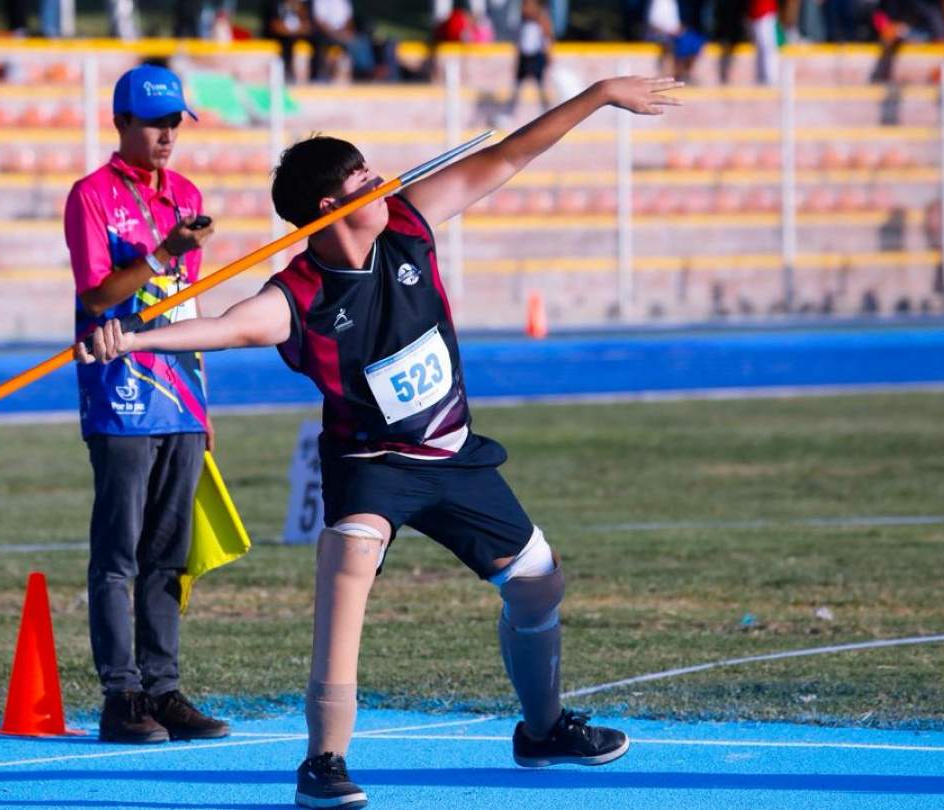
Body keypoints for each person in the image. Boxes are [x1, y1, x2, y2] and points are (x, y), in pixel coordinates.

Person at [77, 73, 683, 809]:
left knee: (539, 584)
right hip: (371, 465)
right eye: (366, 175)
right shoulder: (297, 293)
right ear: (332, 207)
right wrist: (131, 338)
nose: (384, 178)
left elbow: (512, 155)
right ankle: (323, 761)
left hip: (454, 455)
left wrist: (598, 95)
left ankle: (544, 727)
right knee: (347, 564)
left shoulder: (408, 222)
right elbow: (229, 326)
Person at [62, 64, 229, 745]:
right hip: (124, 394)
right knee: (119, 553)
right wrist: (162, 253)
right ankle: (120, 696)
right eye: (154, 123)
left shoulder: (185, 193)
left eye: (174, 123)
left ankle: (163, 689)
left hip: (181, 393)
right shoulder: (92, 196)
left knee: (170, 552)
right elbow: (98, 297)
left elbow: (189, 305)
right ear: (122, 123)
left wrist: (205, 402)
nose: (166, 135)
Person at [506, 0, 553, 116]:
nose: (524, 8)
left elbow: (547, 39)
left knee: (541, 86)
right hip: (525, 56)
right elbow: (519, 42)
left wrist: (548, 54)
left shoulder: (541, 21)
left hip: (536, 56)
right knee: (517, 86)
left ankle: (546, 111)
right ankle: (510, 112)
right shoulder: (523, 22)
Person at [264, 0, 311, 82]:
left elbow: (307, 27)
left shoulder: (303, 6)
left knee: (302, 49)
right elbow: (275, 27)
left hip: (297, 41)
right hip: (278, 41)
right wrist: (291, 31)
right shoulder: (274, 4)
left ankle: (302, 82)